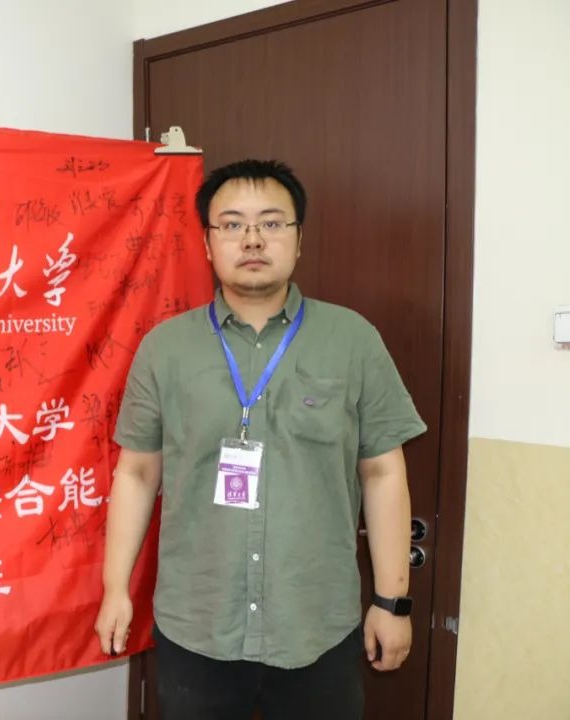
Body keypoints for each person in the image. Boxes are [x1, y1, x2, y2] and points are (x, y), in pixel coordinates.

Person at [93, 159, 427, 719]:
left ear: (298, 239)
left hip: (317, 628)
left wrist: (391, 602)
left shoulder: (353, 340)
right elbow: (137, 472)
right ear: (207, 243)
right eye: (232, 224)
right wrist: (115, 587)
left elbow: (383, 471)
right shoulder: (164, 348)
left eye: (271, 223)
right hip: (196, 627)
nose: (252, 239)